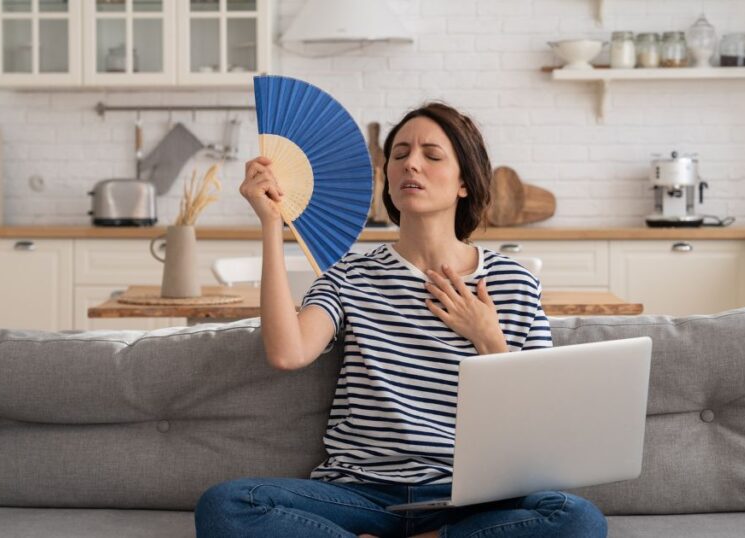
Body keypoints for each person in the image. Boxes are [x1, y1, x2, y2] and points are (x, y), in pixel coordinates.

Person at [194, 102, 607, 538]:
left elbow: (541, 426)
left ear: (465, 182)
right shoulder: (349, 275)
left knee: (576, 518)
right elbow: (287, 352)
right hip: (361, 494)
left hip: (467, 497)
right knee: (229, 505)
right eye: (400, 154)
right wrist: (271, 226)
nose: (411, 163)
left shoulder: (513, 282)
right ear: (387, 178)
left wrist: (490, 341)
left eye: (431, 155)